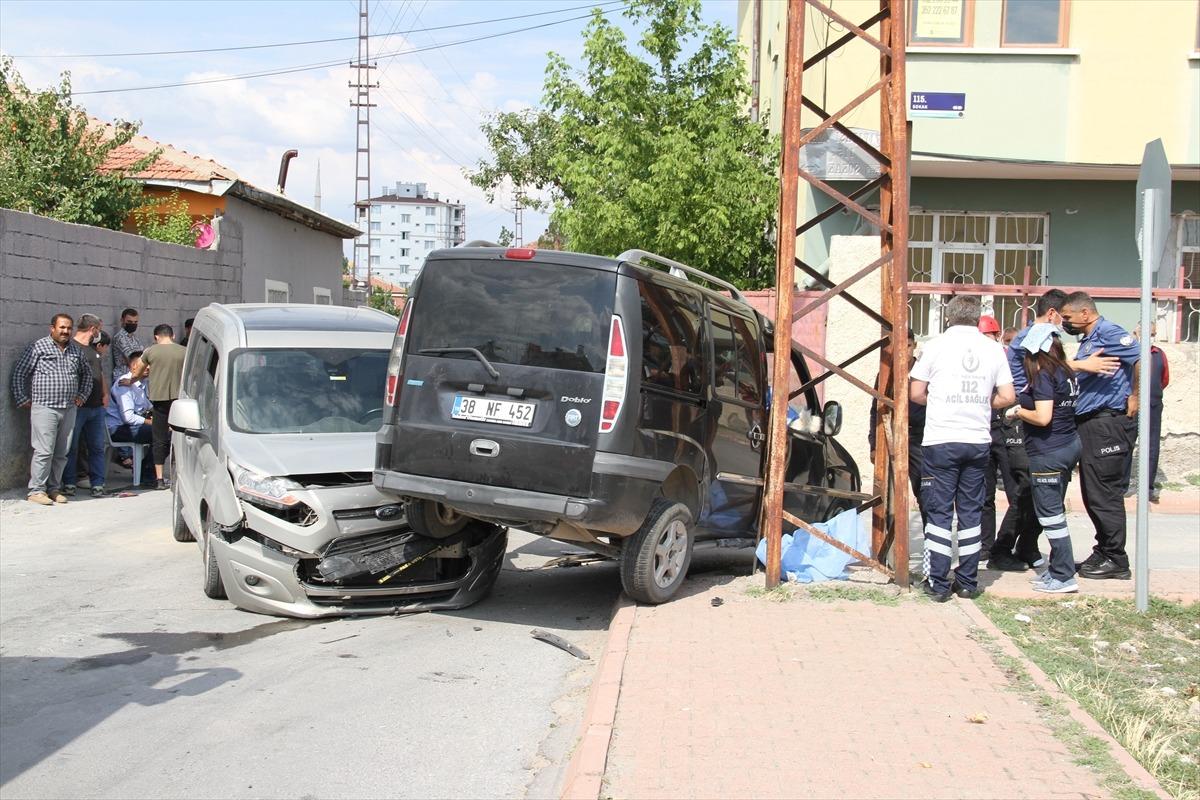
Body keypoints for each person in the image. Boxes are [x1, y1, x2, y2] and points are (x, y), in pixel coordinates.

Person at [909, 296, 1015, 602]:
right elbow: (1008, 396)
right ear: (977, 319)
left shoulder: (936, 346)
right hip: (977, 439)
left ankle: (939, 584)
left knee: (940, 513)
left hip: (941, 439)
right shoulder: (993, 349)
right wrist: (981, 403)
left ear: (948, 319)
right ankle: (968, 582)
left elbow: (916, 392)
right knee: (970, 512)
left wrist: (941, 401)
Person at [1059, 291, 1140, 580]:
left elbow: (1142, 358)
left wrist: (1135, 395)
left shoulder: (1110, 332)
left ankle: (1117, 559)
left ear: (1085, 313)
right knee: (1093, 494)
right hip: (1091, 423)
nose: (1065, 322)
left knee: (1105, 493)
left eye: (1067, 317)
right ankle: (1104, 550)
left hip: (1108, 423)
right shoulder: (1090, 339)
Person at [1009, 323, 1081, 593]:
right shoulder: (1066, 372)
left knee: (1051, 515)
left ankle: (1063, 575)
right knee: (1053, 512)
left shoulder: (1043, 376)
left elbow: (1042, 416)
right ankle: (1057, 570)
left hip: (1049, 452)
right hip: (1068, 445)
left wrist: (1017, 412)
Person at [10, 313, 94, 505]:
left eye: (68, 328)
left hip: (69, 408)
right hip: (45, 408)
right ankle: (36, 490)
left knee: (61, 452)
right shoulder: (38, 347)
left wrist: (81, 396)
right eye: (62, 327)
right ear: (52, 328)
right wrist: (21, 397)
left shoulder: (75, 350)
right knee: (44, 451)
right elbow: (20, 372)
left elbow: (87, 375)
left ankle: (53, 488)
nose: (65, 331)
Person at [868, 329, 928, 529]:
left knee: (925, 491)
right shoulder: (887, 374)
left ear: (915, 345)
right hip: (891, 436)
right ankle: (894, 546)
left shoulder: (925, 372)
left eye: (908, 346)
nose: (904, 351)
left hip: (919, 438)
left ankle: (932, 540)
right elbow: (875, 410)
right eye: (900, 347)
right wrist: (874, 444)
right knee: (890, 494)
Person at [62, 315, 110, 497]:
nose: (99, 332)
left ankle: (97, 483)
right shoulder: (72, 348)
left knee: (97, 446)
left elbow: (100, 373)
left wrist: (105, 393)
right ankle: (69, 482)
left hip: (96, 407)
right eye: (99, 328)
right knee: (72, 446)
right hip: (79, 406)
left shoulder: (93, 350)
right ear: (93, 328)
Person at [1125, 323, 1170, 503]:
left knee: (1152, 446)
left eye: (1153, 334)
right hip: (1132, 406)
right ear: (1136, 333)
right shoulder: (1128, 352)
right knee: (1127, 444)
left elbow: (1164, 379)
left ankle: (1147, 489)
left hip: (1153, 405)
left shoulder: (1159, 354)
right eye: (1147, 333)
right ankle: (1122, 486)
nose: (1151, 337)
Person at [141, 323, 187, 490]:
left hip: (159, 401)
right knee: (180, 437)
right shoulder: (183, 351)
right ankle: (179, 475)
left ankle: (159, 479)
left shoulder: (150, 351)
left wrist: (131, 380)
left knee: (158, 439)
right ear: (173, 336)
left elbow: (139, 370)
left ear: (156, 337)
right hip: (179, 400)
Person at [107, 352, 154, 446]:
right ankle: (148, 461)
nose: (148, 368)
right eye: (145, 364)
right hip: (119, 428)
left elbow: (147, 406)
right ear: (134, 366)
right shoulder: (124, 384)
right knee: (160, 433)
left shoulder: (142, 382)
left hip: (133, 425)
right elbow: (128, 418)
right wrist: (150, 422)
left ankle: (147, 461)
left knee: (167, 430)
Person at [112, 307, 143, 381]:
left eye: (135, 322)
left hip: (134, 377)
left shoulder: (135, 338)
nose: (133, 324)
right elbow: (133, 360)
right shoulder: (120, 337)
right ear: (122, 320)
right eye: (129, 322)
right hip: (123, 377)